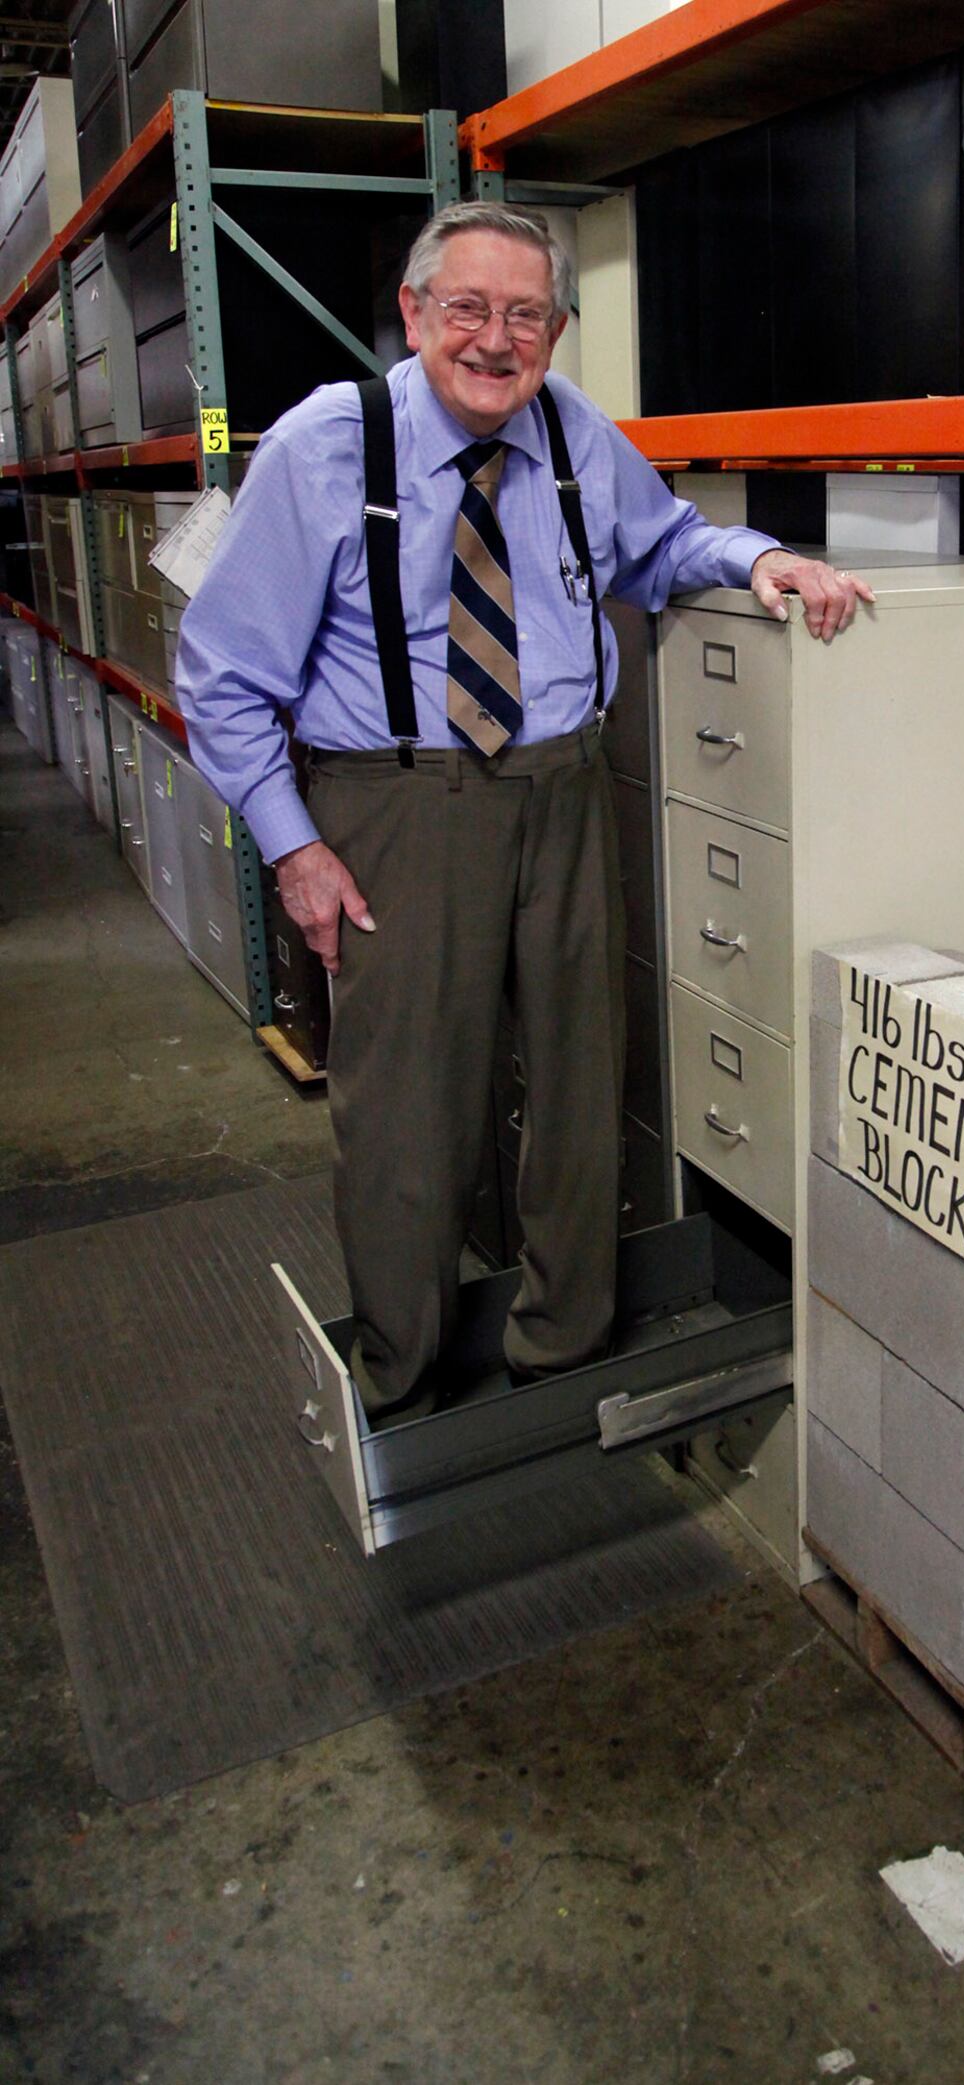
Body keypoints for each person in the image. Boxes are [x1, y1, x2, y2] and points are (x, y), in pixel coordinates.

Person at [177, 199, 872, 1423]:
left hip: (560, 789)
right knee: (406, 1113)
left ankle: (563, 1353)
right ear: (412, 313)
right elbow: (223, 676)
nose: (497, 342)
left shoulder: (572, 433)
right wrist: (294, 848)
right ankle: (399, 1380)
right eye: (468, 310)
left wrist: (758, 561)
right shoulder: (323, 447)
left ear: (553, 328)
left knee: (576, 1080)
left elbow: (659, 547)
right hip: (395, 808)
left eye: (526, 316)